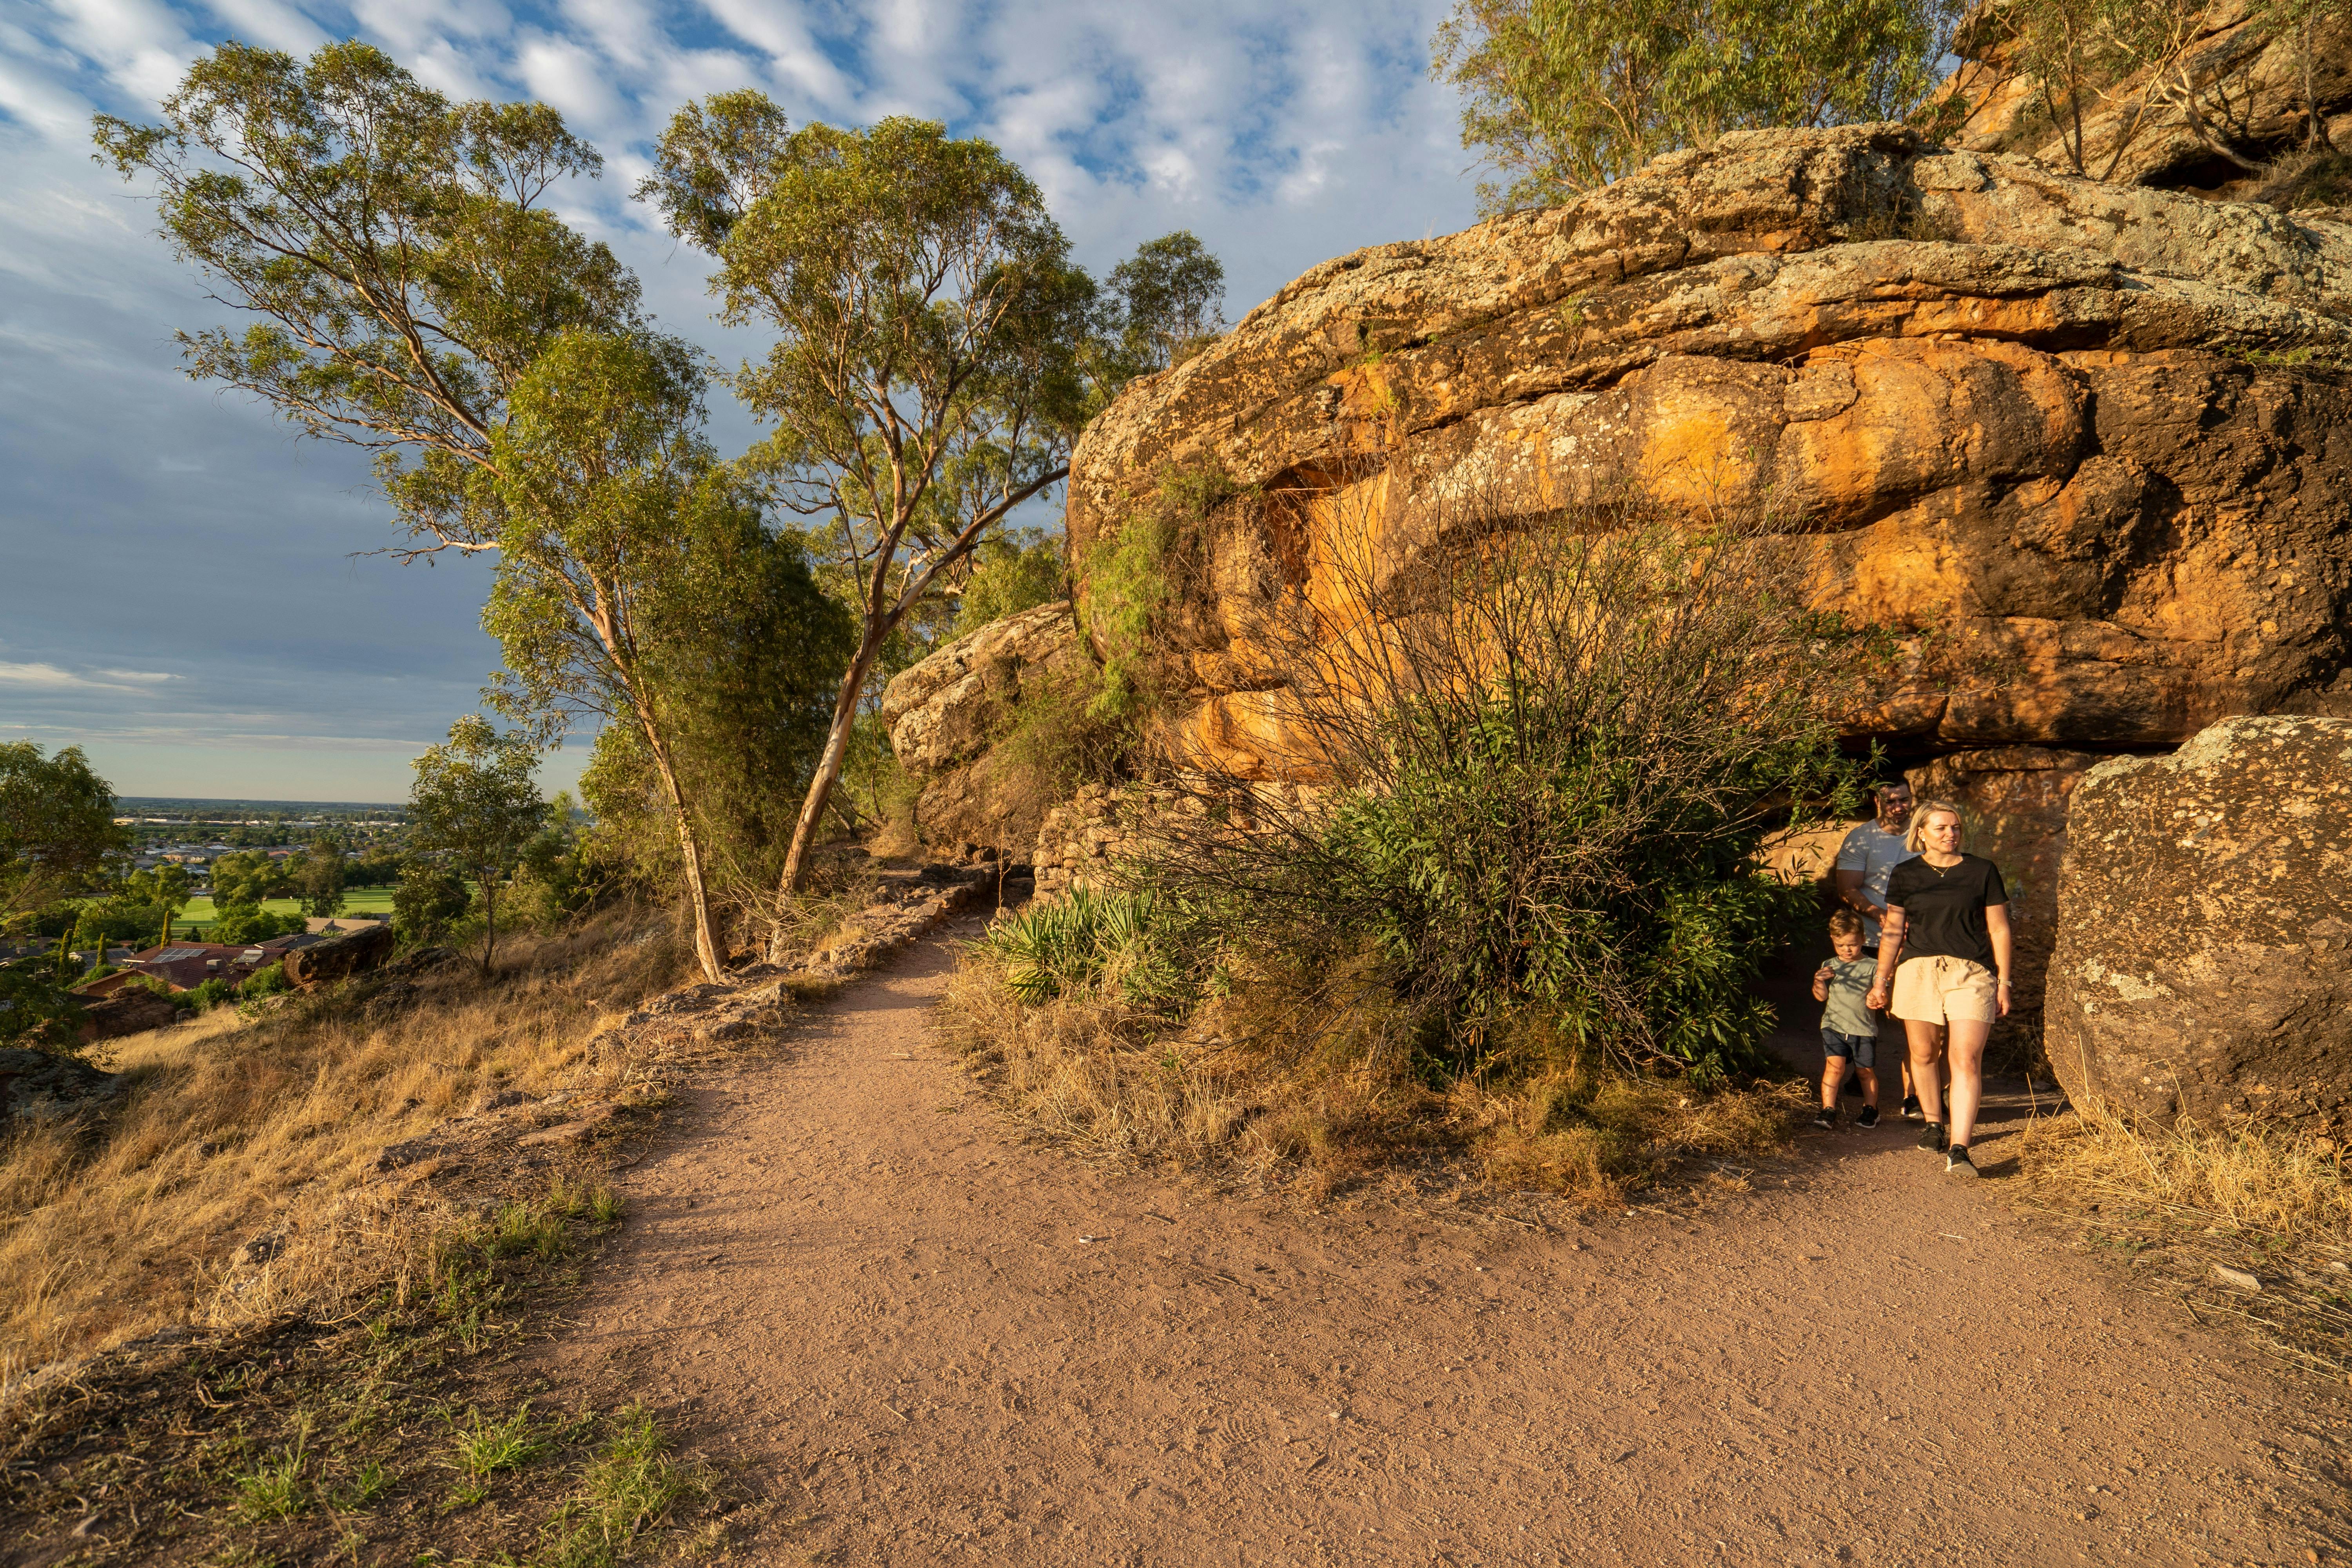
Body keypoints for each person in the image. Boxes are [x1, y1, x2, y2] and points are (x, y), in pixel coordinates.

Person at [1864, 799, 2014, 1179]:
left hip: (1971, 972)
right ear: (1921, 833)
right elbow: (1894, 931)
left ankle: (1960, 1148)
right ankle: (1934, 1123)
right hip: (1917, 970)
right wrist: (1881, 981)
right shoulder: (1905, 874)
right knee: (1924, 1052)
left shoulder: (1982, 871)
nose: (1951, 834)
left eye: (1956, 827)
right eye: (1942, 828)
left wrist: (2004, 981)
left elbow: (1999, 929)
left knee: (1965, 1059)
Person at [1832, 781, 1921, 1116]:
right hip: (1869, 939)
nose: (1899, 807)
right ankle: (1860, 1074)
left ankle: (1913, 1092)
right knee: (1861, 1014)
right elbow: (1847, 889)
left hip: (1916, 941)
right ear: (1877, 801)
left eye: (1905, 800)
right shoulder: (1861, 838)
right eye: (1892, 801)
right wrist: (1880, 916)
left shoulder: (1924, 832)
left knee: (1911, 1015)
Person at [1810, 908, 1880, 1130]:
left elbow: (1882, 996)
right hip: (1833, 1025)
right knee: (1834, 1067)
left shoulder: (1874, 966)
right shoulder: (1829, 965)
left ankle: (1871, 1109)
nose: (1847, 950)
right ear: (1833, 939)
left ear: (1863, 939)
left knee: (1864, 1071)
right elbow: (1821, 997)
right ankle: (1828, 1109)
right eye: (1841, 945)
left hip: (1863, 1028)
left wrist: (1877, 999)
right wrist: (1818, 982)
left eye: (1853, 944)